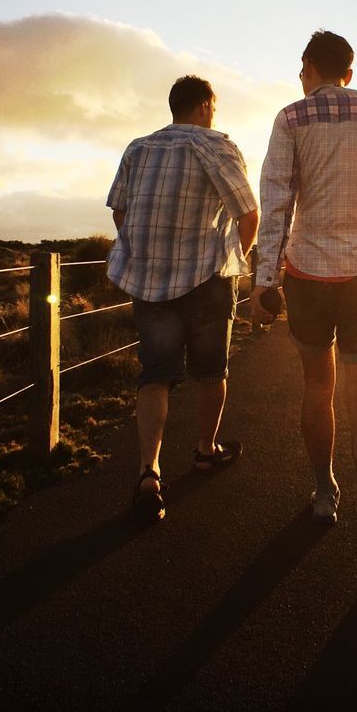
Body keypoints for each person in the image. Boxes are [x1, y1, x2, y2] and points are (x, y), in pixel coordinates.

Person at [251, 30, 357, 594]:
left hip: (309, 276)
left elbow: (276, 199)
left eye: (302, 71)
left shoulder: (291, 118)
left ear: (309, 68)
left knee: (316, 387)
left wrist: (262, 280)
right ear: (348, 72)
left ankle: (325, 492)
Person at [106, 75, 259, 525]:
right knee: (211, 373)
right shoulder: (218, 146)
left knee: (154, 375)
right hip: (208, 280)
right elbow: (248, 214)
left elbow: (119, 210)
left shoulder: (138, 148)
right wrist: (235, 258)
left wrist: (146, 251)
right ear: (205, 106)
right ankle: (205, 450)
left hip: (150, 281)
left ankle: (148, 472)